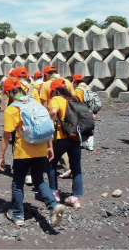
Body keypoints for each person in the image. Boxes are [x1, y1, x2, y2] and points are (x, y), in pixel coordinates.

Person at [0, 77, 65, 227]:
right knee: (39, 180)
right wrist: (50, 146)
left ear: (8, 92)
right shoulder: (35, 102)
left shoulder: (12, 109)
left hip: (23, 152)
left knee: (17, 183)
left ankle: (18, 215)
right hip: (41, 148)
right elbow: (47, 126)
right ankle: (54, 205)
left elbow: (6, 136)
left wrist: (1, 155)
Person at [47, 79, 83, 208]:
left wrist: (50, 120)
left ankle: (54, 192)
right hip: (76, 137)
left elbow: (53, 112)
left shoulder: (56, 99)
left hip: (61, 137)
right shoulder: (75, 99)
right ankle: (75, 198)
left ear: (55, 90)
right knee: (76, 167)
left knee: (51, 163)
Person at [73, 73, 96, 151]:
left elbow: (78, 101)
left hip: (82, 110)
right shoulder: (88, 88)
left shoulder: (77, 90)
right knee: (90, 126)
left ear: (75, 82)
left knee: (79, 127)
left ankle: (79, 143)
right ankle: (90, 145)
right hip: (90, 110)